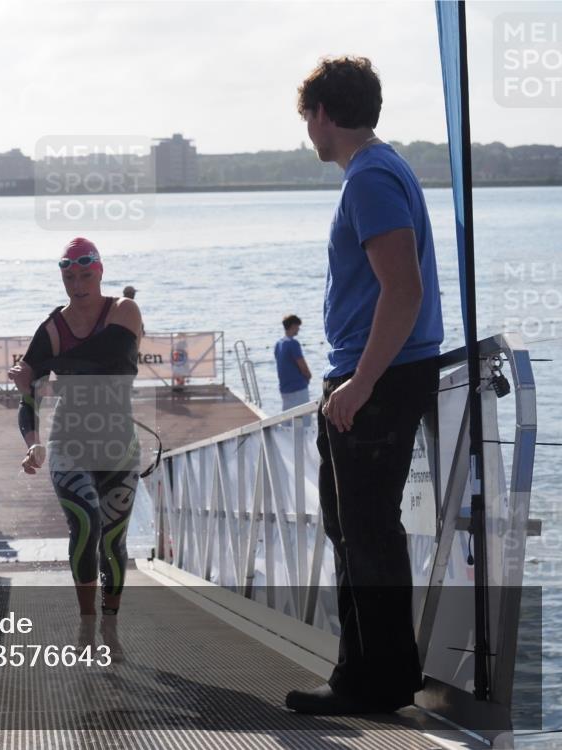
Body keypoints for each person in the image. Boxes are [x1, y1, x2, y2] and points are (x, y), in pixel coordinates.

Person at [285, 56, 444, 715]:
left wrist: (360, 384)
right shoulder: (382, 169)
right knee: (357, 527)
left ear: (324, 113)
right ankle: (382, 674)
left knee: (364, 530)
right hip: (381, 372)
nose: (308, 131)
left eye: (307, 118)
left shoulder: (370, 178)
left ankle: (367, 683)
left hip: (376, 377)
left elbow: (402, 290)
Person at [8, 238, 144, 643]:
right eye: (70, 278)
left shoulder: (124, 310)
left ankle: (110, 623)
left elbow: (108, 358)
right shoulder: (53, 327)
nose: (78, 285)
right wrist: (32, 442)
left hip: (119, 442)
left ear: (99, 273)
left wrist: (43, 366)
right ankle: (87, 625)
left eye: (86, 275)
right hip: (69, 441)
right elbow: (28, 397)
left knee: (113, 541)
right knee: (86, 524)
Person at [274, 314, 312, 411]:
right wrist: (308, 376)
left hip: (285, 388)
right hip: (298, 388)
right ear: (293, 326)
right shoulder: (293, 343)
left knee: (288, 417)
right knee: (304, 417)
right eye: (298, 326)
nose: (298, 329)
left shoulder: (278, 344)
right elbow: (303, 367)